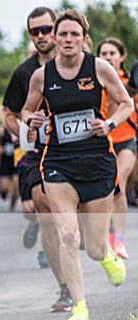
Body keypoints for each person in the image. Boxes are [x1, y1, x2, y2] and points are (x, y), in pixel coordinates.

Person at [22, 10, 129, 320]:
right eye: (62, 34)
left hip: (97, 160)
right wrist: (33, 120)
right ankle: (79, 306)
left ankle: (107, 254)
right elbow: (27, 109)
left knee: (93, 247)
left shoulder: (98, 68)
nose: (67, 40)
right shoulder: (42, 76)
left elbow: (126, 104)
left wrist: (108, 123)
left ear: (84, 39)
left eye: (74, 35)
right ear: (54, 38)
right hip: (58, 162)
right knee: (68, 234)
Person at [0, 7, 71, 310]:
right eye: (34, 32)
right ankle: (65, 287)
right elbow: (8, 112)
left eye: (46, 29)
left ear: (58, 29)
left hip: (76, 151)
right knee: (46, 214)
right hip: (38, 153)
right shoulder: (23, 72)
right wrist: (21, 129)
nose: (41, 36)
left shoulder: (78, 65)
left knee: (73, 223)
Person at [97, 37, 136, 260]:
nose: (109, 57)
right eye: (104, 53)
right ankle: (104, 232)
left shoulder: (132, 81)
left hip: (127, 140)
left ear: (122, 57)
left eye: (113, 53)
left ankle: (118, 240)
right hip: (103, 141)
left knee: (117, 182)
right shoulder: (94, 80)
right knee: (107, 188)